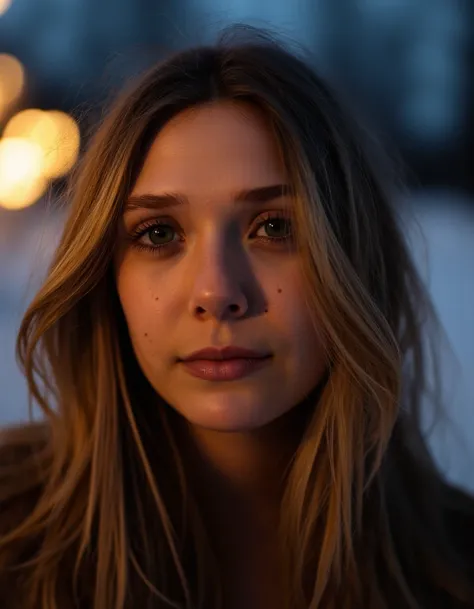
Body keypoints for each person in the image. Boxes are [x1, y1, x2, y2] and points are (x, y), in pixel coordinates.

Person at [0, 24, 473, 609]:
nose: (217, 293)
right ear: (103, 277)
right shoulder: (10, 543)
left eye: (274, 227)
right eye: (158, 233)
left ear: (353, 258)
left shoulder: (454, 568)